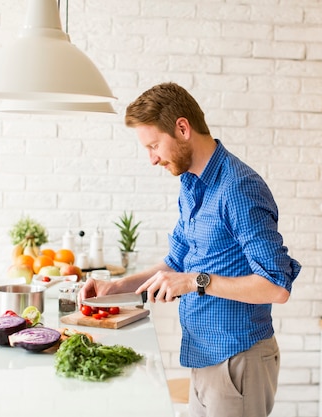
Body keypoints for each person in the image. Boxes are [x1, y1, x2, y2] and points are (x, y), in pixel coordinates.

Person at [79, 82, 301, 417]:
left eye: (154, 145)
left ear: (182, 128)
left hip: (237, 359)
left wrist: (196, 281)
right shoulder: (191, 185)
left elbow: (276, 286)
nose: (152, 158)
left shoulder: (238, 188)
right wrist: (115, 288)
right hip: (205, 355)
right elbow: (175, 263)